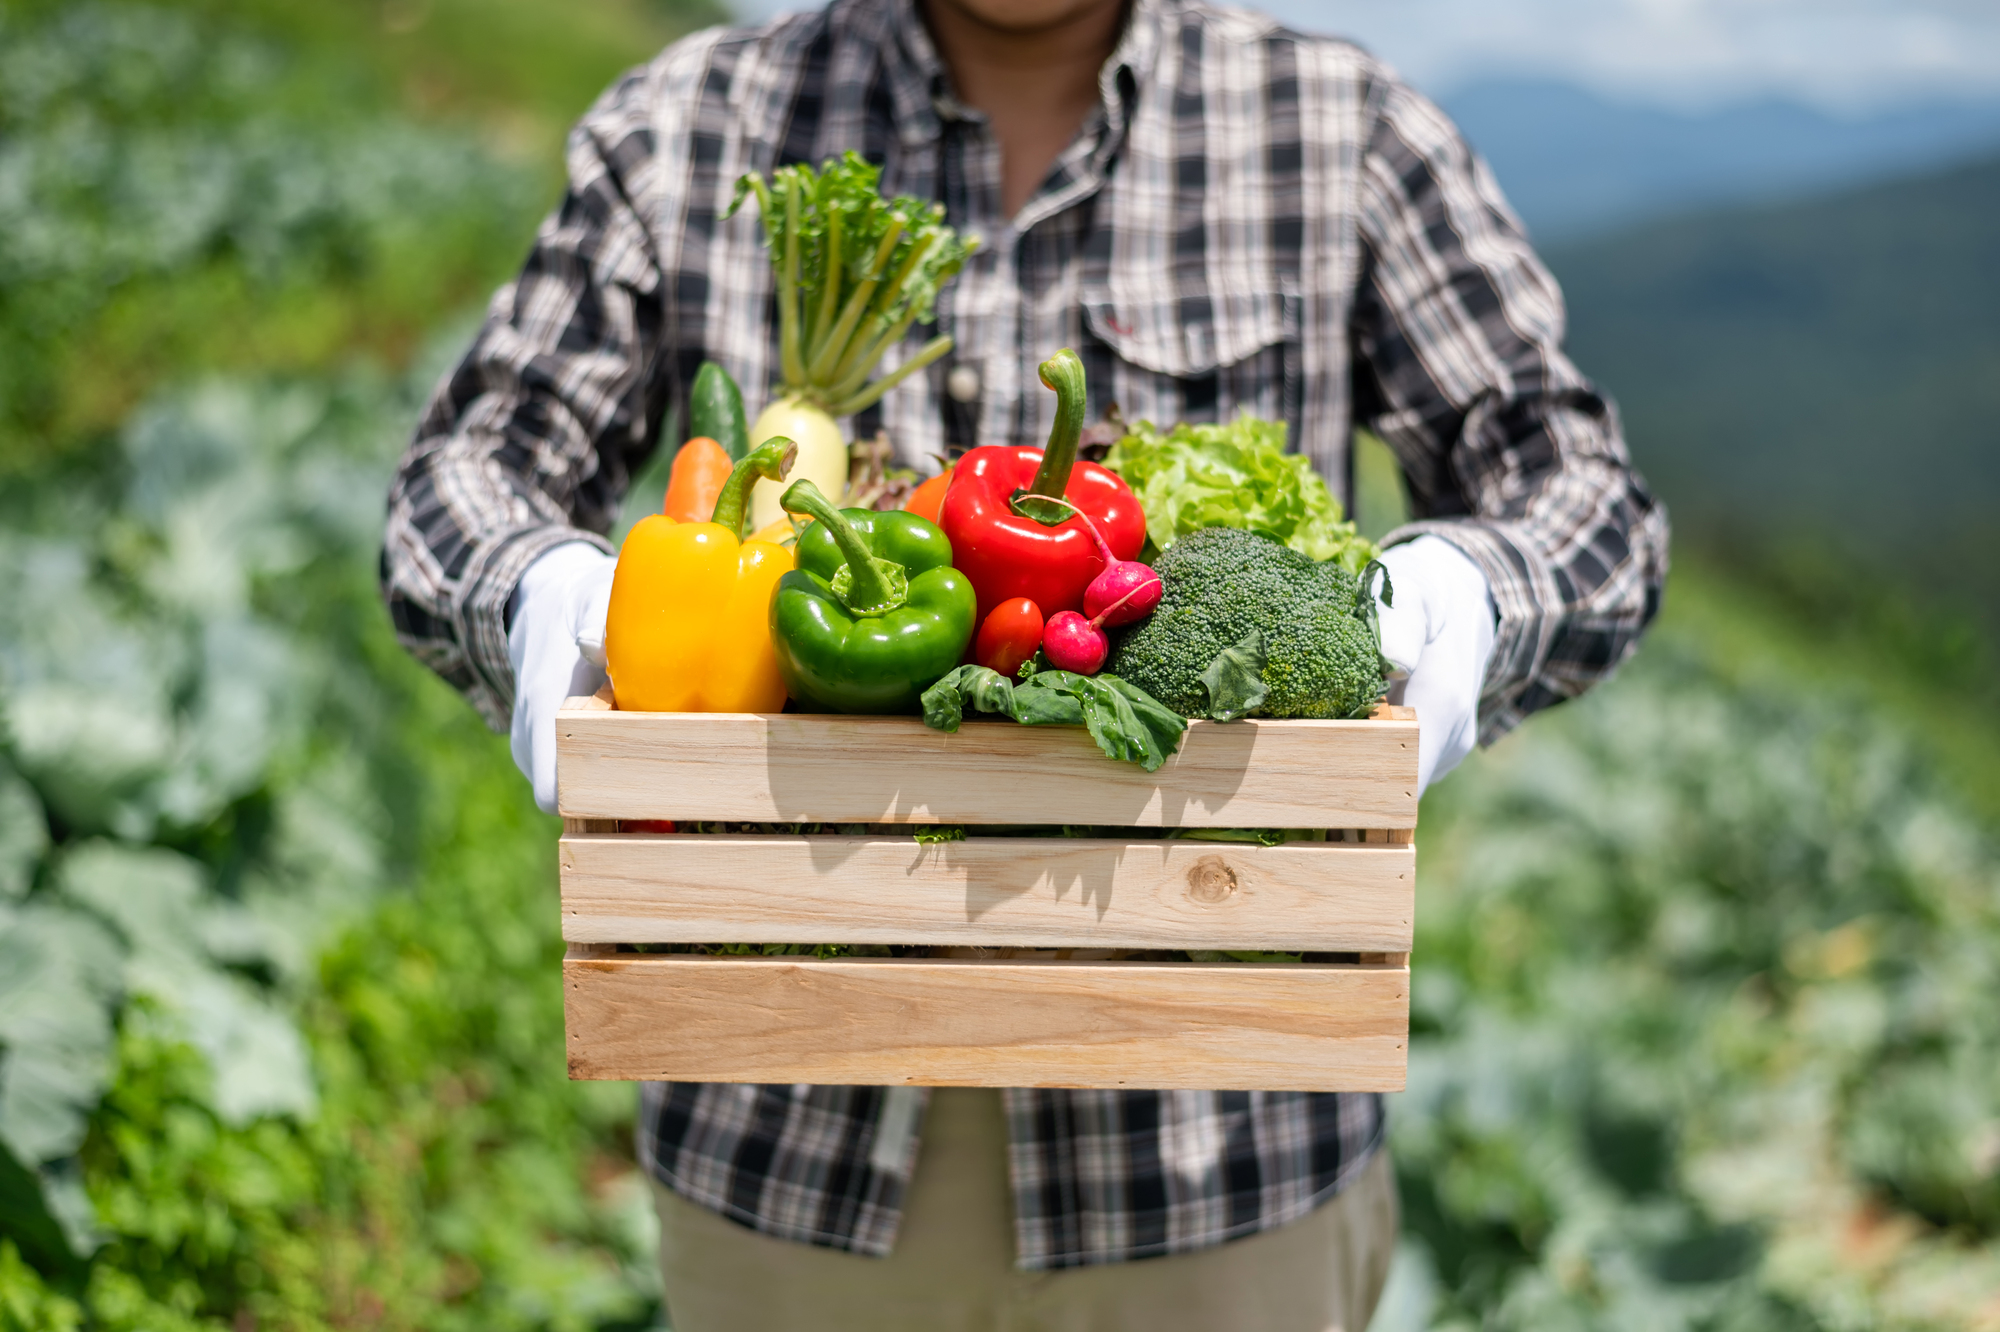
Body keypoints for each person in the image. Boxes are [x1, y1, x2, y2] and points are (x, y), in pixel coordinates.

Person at [382, 0, 1669, 1326]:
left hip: (1223, 1164)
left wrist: (1481, 589)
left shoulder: (1346, 132)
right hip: (786, 1152)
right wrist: (530, 582)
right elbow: (468, 470)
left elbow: (1587, 499)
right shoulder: (686, 122)